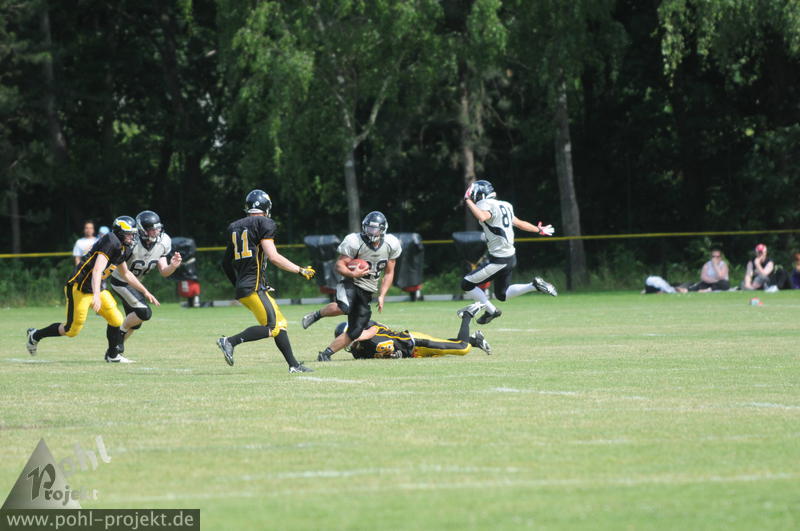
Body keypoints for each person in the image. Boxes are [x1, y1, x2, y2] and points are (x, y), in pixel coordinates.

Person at [26, 216, 159, 363]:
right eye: (128, 234)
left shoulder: (124, 247)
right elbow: (97, 270)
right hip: (79, 287)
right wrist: (96, 295)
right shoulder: (111, 241)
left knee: (116, 320)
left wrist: (145, 291)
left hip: (96, 288)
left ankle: (113, 355)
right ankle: (35, 335)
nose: (132, 237)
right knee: (71, 330)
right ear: (120, 233)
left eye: (133, 234)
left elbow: (126, 273)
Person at [216, 189, 317, 373]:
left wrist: (238, 284)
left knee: (280, 323)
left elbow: (225, 263)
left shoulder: (235, 226)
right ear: (267, 208)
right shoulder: (264, 223)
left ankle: (294, 365)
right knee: (273, 327)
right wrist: (300, 270)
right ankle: (229, 341)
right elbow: (274, 257)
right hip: (253, 287)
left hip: (247, 288)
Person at [301, 211, 402, 362]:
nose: (371, 232)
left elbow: (389, 272)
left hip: (368, 290)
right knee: (344, 307)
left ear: (383, 229)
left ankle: (325, 354)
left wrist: (382, 295)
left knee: (355, 331)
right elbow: (339, 265)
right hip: (351, 282)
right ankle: (315, 315)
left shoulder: (391, 244)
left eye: (375, 229)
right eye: (369, 228)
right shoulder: (355, 241)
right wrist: (353, 273)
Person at [461, 180, 558, 324]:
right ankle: (534, 285)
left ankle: (491, 311)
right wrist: (538, 229)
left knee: (466, 284)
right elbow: (519, 223)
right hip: (510, 258)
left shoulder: (485, 204)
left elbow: (482, 216)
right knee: (502, 294)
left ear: (479, 194)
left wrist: (467, 200)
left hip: (499, 261)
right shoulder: (505, 205)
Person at [108, 210, 182, 355]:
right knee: (144, 313)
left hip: (135, 283)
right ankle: (118, 336)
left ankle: (113, 353)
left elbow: (164, 271)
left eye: (157, 228)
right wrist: (145, 291)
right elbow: (125, 273)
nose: (156, 232)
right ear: (142, 230)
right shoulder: (131, 243)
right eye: (152, 229)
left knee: (136, 323)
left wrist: (173, 266)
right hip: (121, 281)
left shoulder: (164, 242)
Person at [337, 302, 492, 359]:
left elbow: (372, 331)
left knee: (462, 348)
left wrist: (356, 336)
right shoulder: (358, 353)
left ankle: (467, 314)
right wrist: (394, 356)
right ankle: (475, 340)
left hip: (415, 342)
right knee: (448, 346)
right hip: (413, 354)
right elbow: (381, 355)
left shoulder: (368, 327)